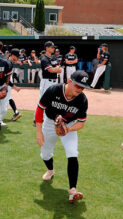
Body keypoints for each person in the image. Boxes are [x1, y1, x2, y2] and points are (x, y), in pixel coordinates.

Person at [35, 70, 90, 203]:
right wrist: (38, 132)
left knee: (72, 153)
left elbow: (81, 123)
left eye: (83, 87)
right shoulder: (53, 90)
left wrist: (68, 129)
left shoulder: (82, 100)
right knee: (45, 154)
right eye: (77, 85)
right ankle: (50, 170)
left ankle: (72, 190)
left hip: (69, 125)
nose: (80, 89)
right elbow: (40, 109)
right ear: (69, 82)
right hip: (49, 122)